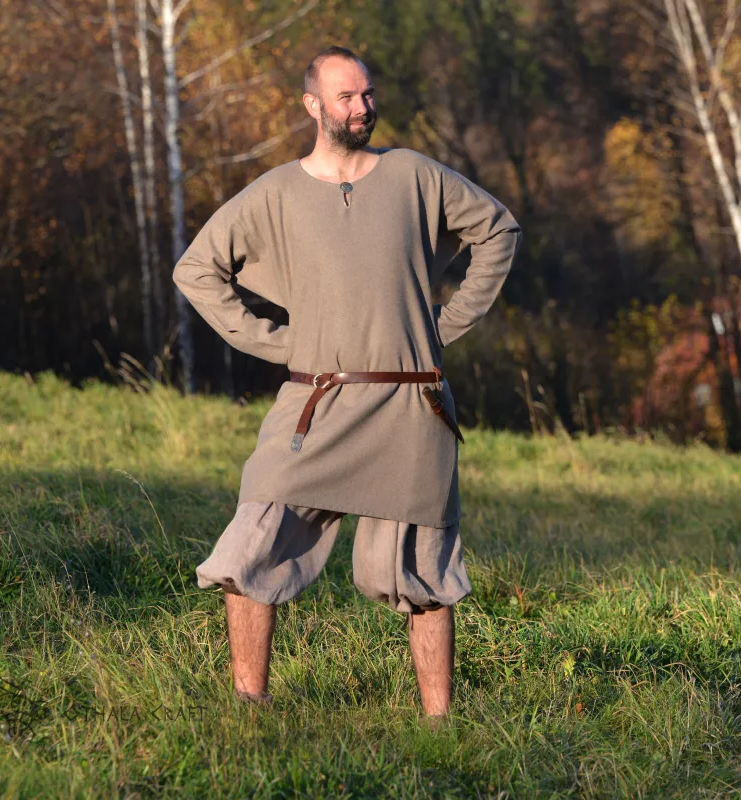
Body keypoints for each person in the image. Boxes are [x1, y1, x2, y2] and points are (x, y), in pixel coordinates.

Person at [173, 45, 522, 719]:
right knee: (251, 548)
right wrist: (272, 341)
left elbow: (498, 230)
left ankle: (440, 726)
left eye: (367, 95)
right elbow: (198, 271)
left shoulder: (414, 174)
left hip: (410, 406)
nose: (362, 108)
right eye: (345, 97)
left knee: (421, 574)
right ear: (312, 105)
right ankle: (250, 709)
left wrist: (444, 324)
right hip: (316, 402)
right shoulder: (275, 192)